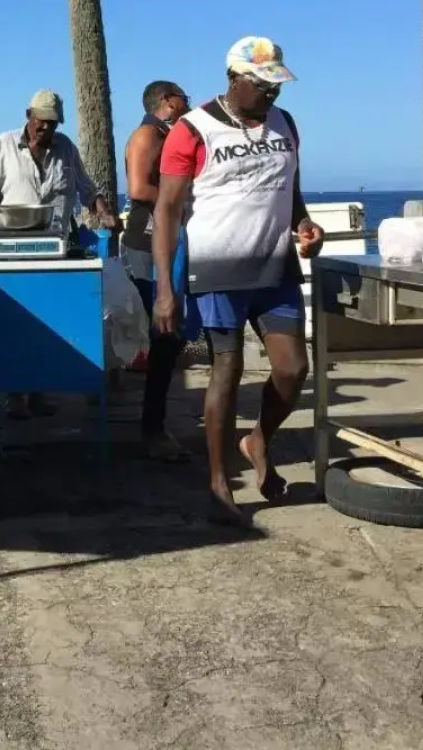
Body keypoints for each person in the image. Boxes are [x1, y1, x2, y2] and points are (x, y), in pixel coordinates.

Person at [152, 37, 324, 525]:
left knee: (293, 369)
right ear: (234, 79)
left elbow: (289, 188)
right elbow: (166, 209)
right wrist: (166, 288)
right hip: (218, 270)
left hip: (275, 267)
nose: (273, 94)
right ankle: (218, 480)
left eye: (277, 84)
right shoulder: (192, 129)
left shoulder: (285, 124)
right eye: (263, 84)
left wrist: (305, 225)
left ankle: (258, 439)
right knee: (225, 371)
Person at [0, 88, 116, 419]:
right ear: (28, 116)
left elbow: (86, 188)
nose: (46, 129)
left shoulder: (65, 148)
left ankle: (39, 391)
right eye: (41, 122)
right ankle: (15, 393)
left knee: (49, 323)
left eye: (53, 124)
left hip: (56, 247)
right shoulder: (3, 145)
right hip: (13, 251)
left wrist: (103, 211)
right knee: (17, 323)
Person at [120, 81, 191, 461]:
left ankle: (156, 421)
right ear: (167, 101)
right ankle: (152, 427)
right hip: (146, 245)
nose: (189, 102)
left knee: (171, 338)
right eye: (184, 96)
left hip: (170, 241)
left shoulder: (171, 135)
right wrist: (181, 198)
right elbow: (137, 189)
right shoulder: (148, 134)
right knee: (162, 337)